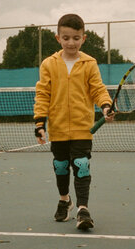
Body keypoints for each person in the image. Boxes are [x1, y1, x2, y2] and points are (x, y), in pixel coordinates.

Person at [34, 13, 114, 230]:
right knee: (60, 167)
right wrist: (40, 123)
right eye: (66, 37)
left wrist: (106, 106)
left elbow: (98, 89)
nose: (71, 42)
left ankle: (83, 209)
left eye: (76, 38)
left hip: (82, 127)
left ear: (83, 39)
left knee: (81, 165)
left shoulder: (89, 63)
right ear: (58, 38)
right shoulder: (49, 64)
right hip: (58, 128)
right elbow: (43, 94)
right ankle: (64, 200)